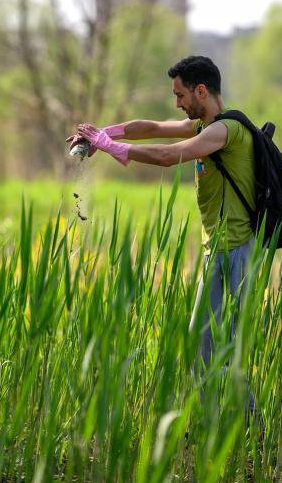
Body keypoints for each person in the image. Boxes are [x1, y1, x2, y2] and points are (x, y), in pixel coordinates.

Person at [66, 55, 259, 411]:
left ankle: (253, 431)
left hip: (239, 252)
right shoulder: (202, 126)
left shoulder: (225, 131)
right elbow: (150, 126)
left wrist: (111, 147)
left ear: (201, 91)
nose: (178, 104)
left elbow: (170, 156)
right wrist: (103, 134)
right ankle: (208, 421)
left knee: (230, 350)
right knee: (200, 344)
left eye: (180, 95)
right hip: (216, 250)